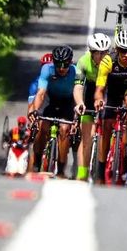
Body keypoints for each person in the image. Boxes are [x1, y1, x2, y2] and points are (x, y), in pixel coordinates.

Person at [90, 30, 127, 182]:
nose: (126, 55)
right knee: (107, 126)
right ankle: (100, 170)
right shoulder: (108, 61)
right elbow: (99, 89)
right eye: (123, 50)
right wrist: (98, 100)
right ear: (117, 49)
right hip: (114, 92)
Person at [29, 46, 84, 174]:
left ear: (70, 62)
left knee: (64, 130)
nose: (61, 68)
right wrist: (35, 110)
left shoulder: (77, 72)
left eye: (65, 65)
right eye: (58, 64)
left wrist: (79, 107)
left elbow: (78, 91)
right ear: (53, 62)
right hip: (51, 101)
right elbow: (41, 93)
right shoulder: (47, 69)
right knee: (42, 127)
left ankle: (61, 169)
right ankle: (37, 161)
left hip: (67, 103)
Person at [75, 33, 111, 181]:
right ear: (91, 52)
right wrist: (79, 103)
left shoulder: (111, 62)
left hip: (107, 91)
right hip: (90, 92)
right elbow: (78, 87)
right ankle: (82, 174)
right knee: (87, 138)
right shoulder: (83, 62)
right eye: (98, 53)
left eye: (105, 52)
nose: (102, 56)